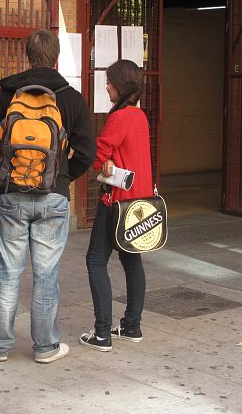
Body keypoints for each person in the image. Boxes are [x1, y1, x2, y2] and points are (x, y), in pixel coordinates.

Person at [0, 29, 96, 364]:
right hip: (53, 199)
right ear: (56, 57)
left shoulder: (8, 94)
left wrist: (3, 177)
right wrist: (62, 177)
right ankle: (45, 347)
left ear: (27, 56)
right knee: (46, 275)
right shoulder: (70, 98)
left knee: (7, 272)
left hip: (11, 195)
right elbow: (87, 151)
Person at [80, 59, 152, 352]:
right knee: (131, 261)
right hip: (139, 201)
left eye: (109, 81)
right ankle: (132, 325)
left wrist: (103, 160)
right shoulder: (140, 116)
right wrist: (109, 157)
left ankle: (101, 333)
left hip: (116, 202)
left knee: (95, 260)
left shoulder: (120, 117)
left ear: (121, 85)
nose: (106, 85)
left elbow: (98, 155)